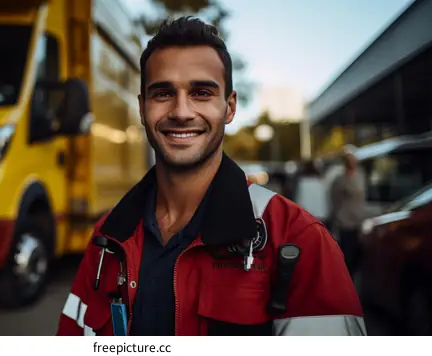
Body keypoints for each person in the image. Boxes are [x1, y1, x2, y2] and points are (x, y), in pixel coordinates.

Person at [56, 17, 365, 336]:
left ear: (230, 107)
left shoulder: (300, 239)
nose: (181, 111)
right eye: (162, 93)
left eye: (201, 92)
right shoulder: (107, 237)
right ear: (142, 107)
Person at [330, 151, 367, 274]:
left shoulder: (360, 177)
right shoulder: (340, 180)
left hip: (358, 220)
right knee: (347, 253)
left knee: (358, 254)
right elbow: (335, 199)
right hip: (345, 221)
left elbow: (362, 197)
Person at [294, 160, 329, 225]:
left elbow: (300, 199)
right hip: (320, 214)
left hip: (306, 215)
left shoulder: (302, 182)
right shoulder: (320, 181)